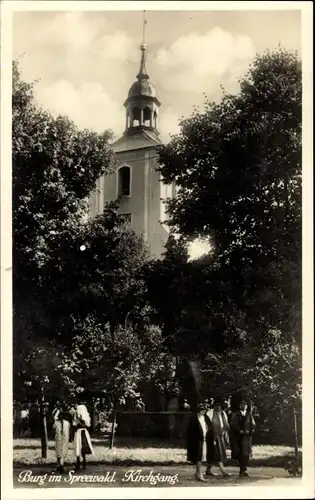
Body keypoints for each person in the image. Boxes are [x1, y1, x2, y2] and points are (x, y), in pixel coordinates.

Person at [186, 402, 213, 482]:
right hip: (196, 441)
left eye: (204, 409)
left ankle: (198, 473)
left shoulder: (206, 418)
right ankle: (199, 474)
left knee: (202, 456)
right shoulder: (194, 419)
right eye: (202, 409)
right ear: (198, 410)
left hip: (205, 440)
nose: (203, 411)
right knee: (198, 457)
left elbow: (210, 427)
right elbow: (190, 431)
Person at [230, 400, 256, 477]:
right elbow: (233, 424)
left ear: (246, 406)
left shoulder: (249, 415)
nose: (243, 406)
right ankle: (242, 469)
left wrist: (250, 431)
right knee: (239, 453)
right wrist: (239, 430)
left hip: (246, 438)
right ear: (239, 406)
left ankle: (243, 470)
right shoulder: (236, 415)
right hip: (238, 438)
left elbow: (253, 425)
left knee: (246, 454)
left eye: (244, 405)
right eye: (241, 405)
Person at [205, 398, 230, 477]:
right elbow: (206, 425)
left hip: (220, 436)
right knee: (217, 453)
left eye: (219, 405)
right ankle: (223, 471)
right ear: (214, 406)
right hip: (212, 436)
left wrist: (226, 436)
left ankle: (208, 470)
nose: (218, 407)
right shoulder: (210, 413)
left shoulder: (223, 413)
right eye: (216, 405)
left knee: (217, 453)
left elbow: (225, 425)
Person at [72, 397, 94, 471]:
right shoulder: (80, 417)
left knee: (81, 448)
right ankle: (80, 464)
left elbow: (83, 425)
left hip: (81, 432)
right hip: (81, 433)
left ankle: (81, 464)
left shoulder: (82, 419)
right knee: (79, 448)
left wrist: (78, 421)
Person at [52, 402, 72, 474]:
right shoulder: (67, 423)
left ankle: (59, 465)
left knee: (58, 452)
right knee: (63, 451)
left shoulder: (56, 423)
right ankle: (61, 465)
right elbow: (69, 431)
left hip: (58, 439)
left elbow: (53, 430)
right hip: (65, 439)